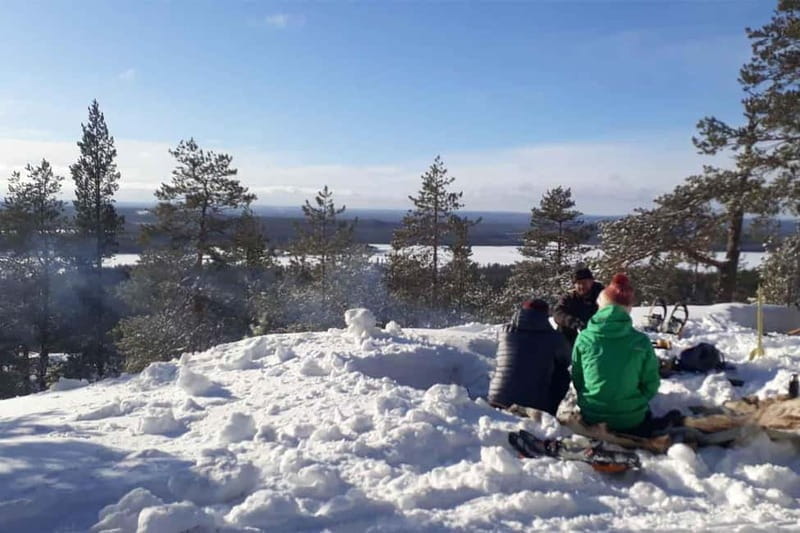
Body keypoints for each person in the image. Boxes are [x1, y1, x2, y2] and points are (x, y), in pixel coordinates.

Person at [571, 273, 676, 436]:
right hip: (631, 419)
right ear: (628, 309)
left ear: (601, 306)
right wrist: (634, 402)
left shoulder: (584, 337)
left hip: (591, 416)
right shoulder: (641, 341)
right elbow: (651, 384)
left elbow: (578, 378)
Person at [489, 299, 571, 416]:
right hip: (533, 405)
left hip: (497, 399)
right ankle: (552, 412)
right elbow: (568, 359)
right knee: (561, 372)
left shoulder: (505, 331)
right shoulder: (554, 338)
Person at [553, 267, 604, 346]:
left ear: (591, 281)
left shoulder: (603, 295)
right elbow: (558, 313)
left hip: (600, 331)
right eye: (578, 283)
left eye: (584, 282)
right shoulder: (570, 297)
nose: (581, 286)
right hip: (576, 331)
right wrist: (572, 321)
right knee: (562, 328)